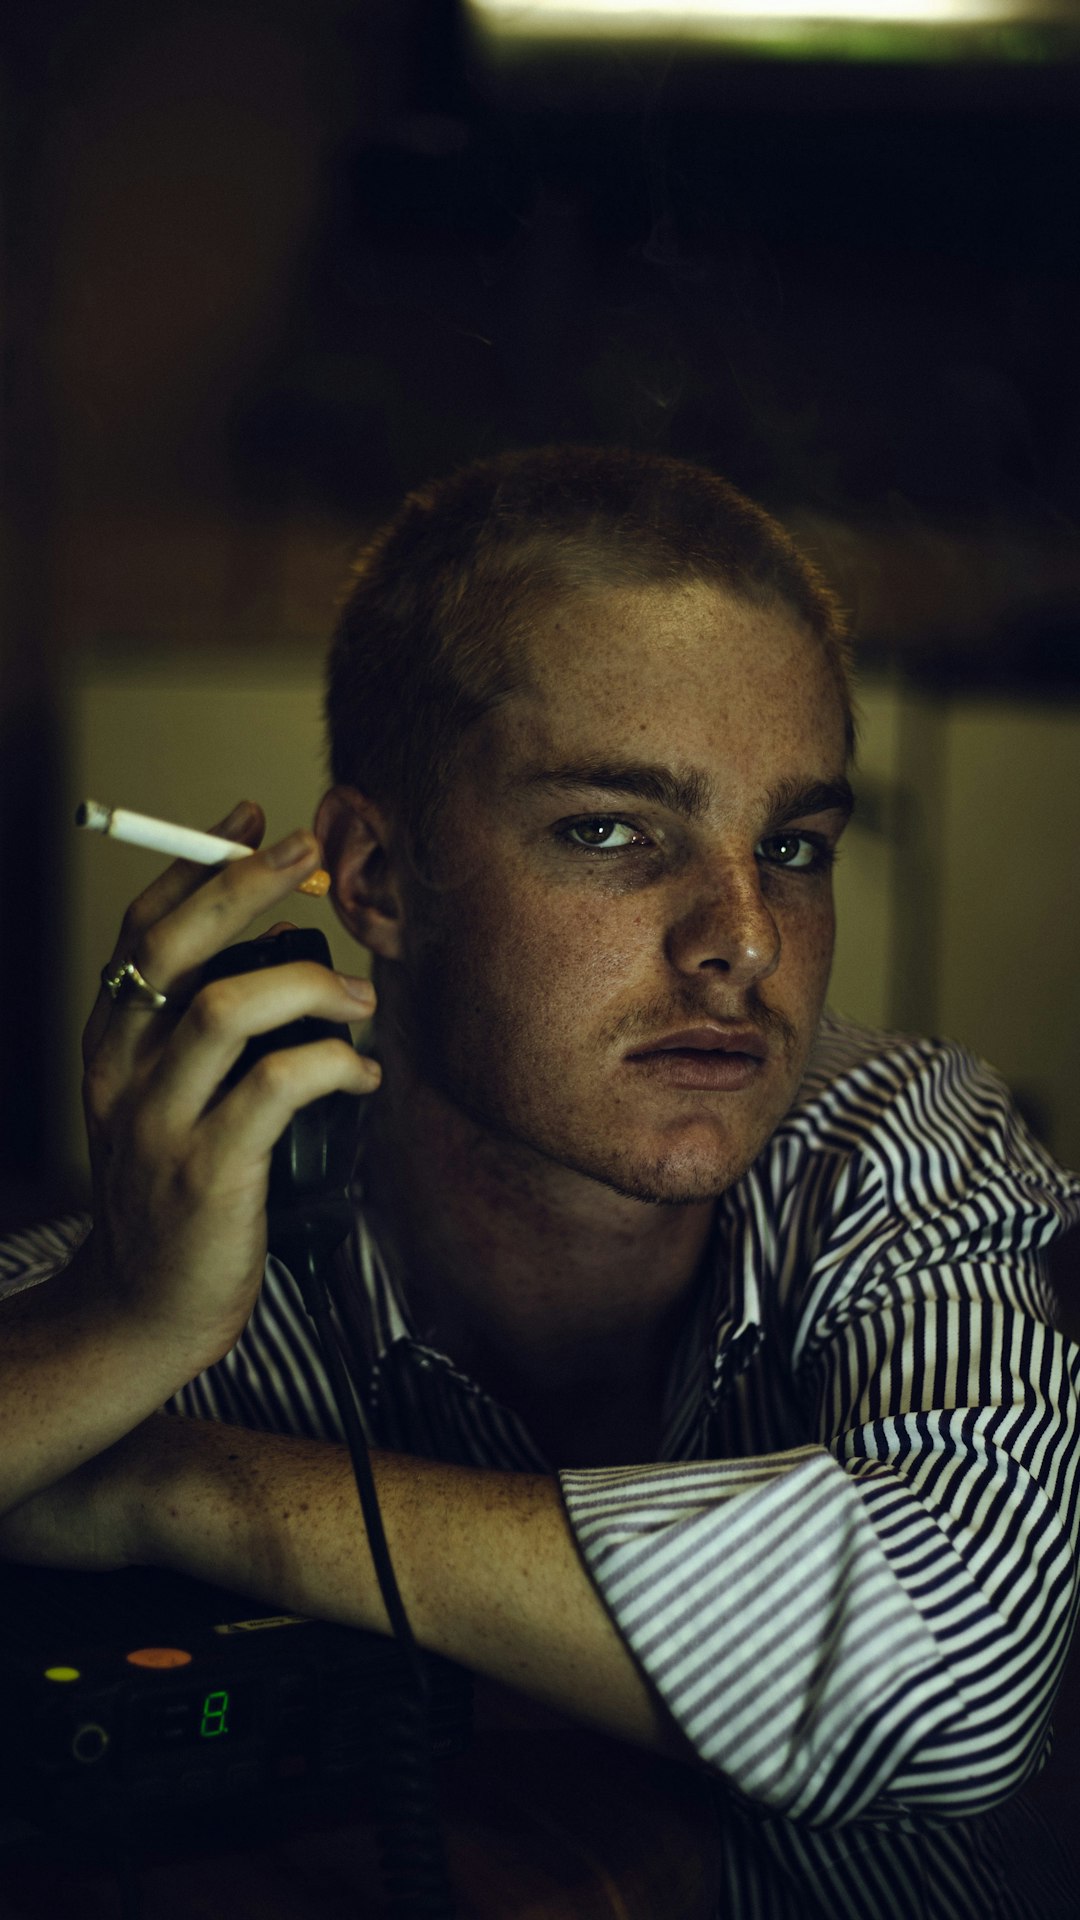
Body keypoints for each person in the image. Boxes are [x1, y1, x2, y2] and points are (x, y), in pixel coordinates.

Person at [1, 445, 1078, 1919]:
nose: (745, 940)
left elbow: (950, 1668)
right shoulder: (169, 1254)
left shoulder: (899, 1145)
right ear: (376, 879)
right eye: (612, 831)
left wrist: (180, 1487)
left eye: (795, 846)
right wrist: (121, 1332)